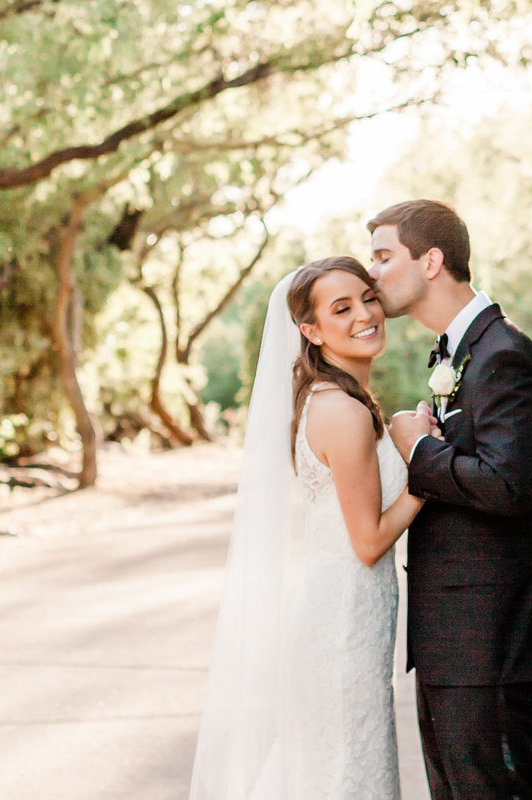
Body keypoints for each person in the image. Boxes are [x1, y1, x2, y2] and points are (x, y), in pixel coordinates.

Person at [189, 256, 424, 800]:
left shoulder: (337, 398)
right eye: (341, 308)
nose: (365, 313)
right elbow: (367, 542)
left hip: (347, 621)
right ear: (311, 331)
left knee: (333, 772)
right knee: (346, 776)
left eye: (368, 298)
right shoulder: (340, 410)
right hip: (343, 627)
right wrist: (421, 464)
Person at [368, 199, 532, 799]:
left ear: (430, 261)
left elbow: (509, 486)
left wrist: (417, 450)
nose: (371, 273)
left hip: (489, 639)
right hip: (453, 640)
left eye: (383, 256)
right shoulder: (458, 353)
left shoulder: (503, 355)